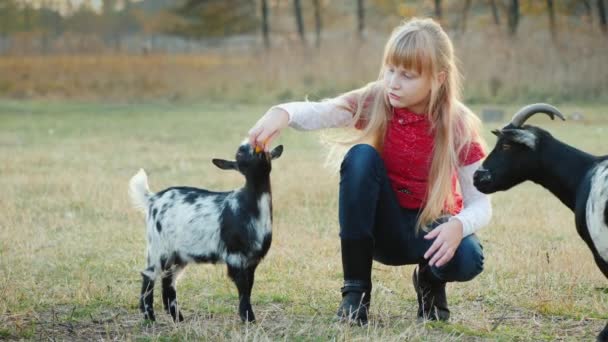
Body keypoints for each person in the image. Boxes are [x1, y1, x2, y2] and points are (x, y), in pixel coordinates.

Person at [247, 17, 491, 325]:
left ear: (438, 78)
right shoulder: (378, 99)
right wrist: (282, 112)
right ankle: (356, 295)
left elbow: (481, 203)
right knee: (361, 156)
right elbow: (323, 112)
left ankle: (430, 282)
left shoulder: (459, 124)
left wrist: (459, 226)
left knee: (470, 257)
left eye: (408, 75)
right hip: (379, 231)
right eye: (390, 70)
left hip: (429, 232)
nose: (393, 82)